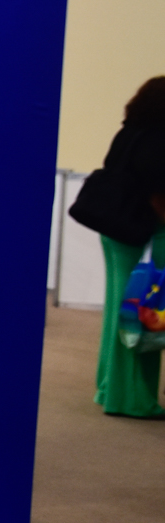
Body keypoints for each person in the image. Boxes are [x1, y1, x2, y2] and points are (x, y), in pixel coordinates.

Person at [68, 76, 165, 417]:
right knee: (142, 313)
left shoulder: (129, 132)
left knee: (118, 310)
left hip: (115, 230)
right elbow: (158, 190)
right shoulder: (159, 138)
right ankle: (131, 398)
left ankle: (109, 386)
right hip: (146, 233)